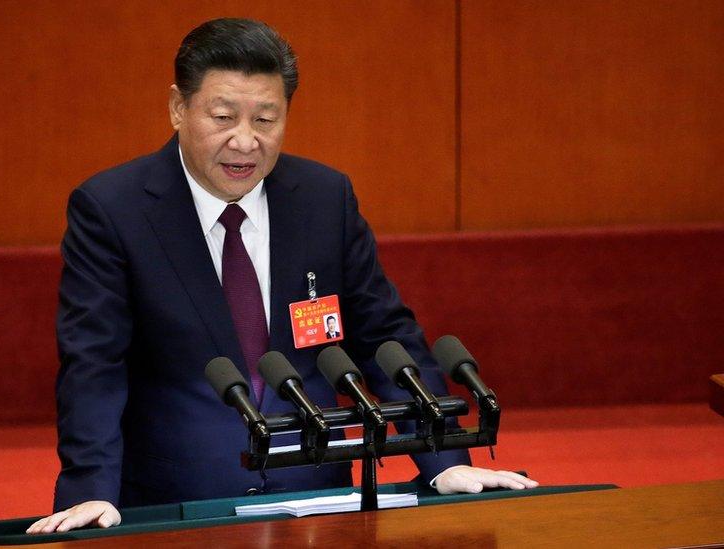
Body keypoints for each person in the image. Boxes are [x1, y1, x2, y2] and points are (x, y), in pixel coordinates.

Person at [28, 18, 536, 535]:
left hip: (321, 501)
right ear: (178, 108)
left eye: (266, 119)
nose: (245, 142)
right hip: (177, 507)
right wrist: (90, 488)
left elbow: (384, 335)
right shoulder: (114, 209)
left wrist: (443, 457)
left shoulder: (323, 199)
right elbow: (94, 362)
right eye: (223, 116)